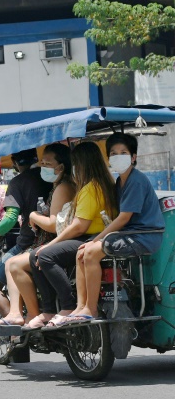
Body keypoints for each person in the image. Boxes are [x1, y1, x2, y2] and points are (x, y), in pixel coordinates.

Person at [58, 133, 165, 326]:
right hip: (129, 234)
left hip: (142, 237)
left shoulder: (136, 180)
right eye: (113, 153)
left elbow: (124, 218)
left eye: (123, 152)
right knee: (82, 252)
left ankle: (89, 308)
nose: (118, 156)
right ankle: (81, 307)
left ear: (133, 157)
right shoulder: (120, 181)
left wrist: (97, 239)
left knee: (89, 251)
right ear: (108, 158)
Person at [26, 142, 117, 328]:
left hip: (90, 238)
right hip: (101, 236)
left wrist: (51, 244)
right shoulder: (108, 183)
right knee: (38, 254)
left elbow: (79, 227)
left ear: (82, 164)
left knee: (42, 255)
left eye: (75, 164)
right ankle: (51, 309)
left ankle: (66, 306)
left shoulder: (90, 188)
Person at [4, 144, 76, 329]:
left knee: (13, 264)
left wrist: (34, 216)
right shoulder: (57, 186)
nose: (42, 166)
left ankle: (35, 313)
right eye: (41, 161)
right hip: (53, 240)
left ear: (61, 166)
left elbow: (53, 224)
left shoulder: (63, 187)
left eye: (47, 163)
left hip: (55, 242)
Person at [0, 148, 52, 319]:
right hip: (55, 239)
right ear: (37, 158)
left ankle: (15, 331)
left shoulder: (17, 183)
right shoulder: (53, 178)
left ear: (14, 163)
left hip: (28, 243)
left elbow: (10, 218)